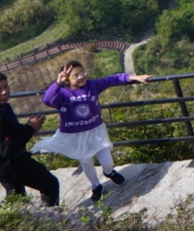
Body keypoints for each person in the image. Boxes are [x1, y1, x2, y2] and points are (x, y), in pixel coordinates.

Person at [32, 63, 150, 202]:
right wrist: (58, 82)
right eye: (76, 75)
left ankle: (109, 172)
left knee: (107, 161)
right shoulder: (61, 94)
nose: (81, 77)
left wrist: (134, 77)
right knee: (86, 162)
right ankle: (95, 185)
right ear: (67, 79)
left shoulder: (92, 86)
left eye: (82, 72)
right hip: (76, 135)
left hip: (96, 130)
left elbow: (112, 79)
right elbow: (47, 99)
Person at [0, 71, 58, 207]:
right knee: (50, 184)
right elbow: (8, 150)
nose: (4, 92)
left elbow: (10, 133)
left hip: (10, 165)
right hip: (12, 165)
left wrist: (29, 128)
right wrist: (29, 128)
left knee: (18, 198)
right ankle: (49, 216)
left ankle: (25, 218)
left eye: (5, 86)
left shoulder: (4, 108)